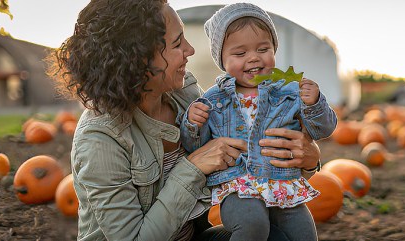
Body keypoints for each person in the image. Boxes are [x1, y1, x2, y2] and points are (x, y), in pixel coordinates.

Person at [46, 1, 322, 240]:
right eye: (178, 43)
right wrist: (192, 167)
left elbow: (246, 154)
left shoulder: (184, 92)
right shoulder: (100, 138)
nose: (190, 49)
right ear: (137, 58)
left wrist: (309, 159)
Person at [179, 3, 337, 241]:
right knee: (252, 225)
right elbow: (196, 148)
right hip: (239, 188)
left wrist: (314, 104)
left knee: (304, 234)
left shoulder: (289, 92)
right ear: (221, 59)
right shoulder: (213, 99)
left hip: (283, 183)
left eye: (263, 49)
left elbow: (323, 129)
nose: (253, 58)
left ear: (274, 49)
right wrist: (193, 124)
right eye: (240, 54)